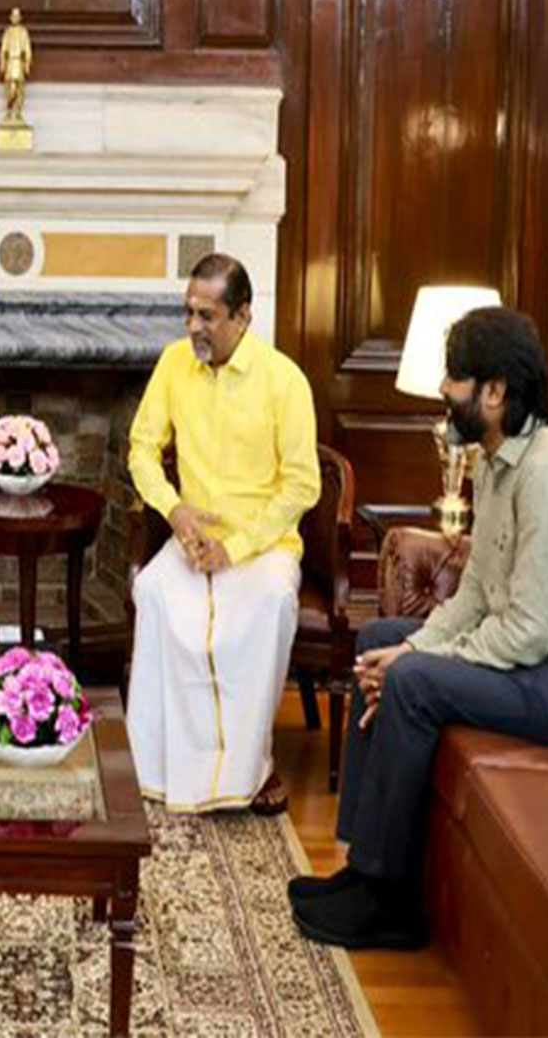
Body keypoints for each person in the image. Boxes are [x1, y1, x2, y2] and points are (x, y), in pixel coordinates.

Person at [290, 307, 548, 949]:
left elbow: (526, 634)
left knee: (413, 683)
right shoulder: (495, 460)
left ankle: (391, 902)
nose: (443, 391)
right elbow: (477, 594)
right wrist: (408, 645)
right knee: (379, 644)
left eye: (454, 379)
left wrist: (418, 664)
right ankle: (361, 870)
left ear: (494, 391)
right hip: (547, 669)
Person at [126, 253, 321, 814]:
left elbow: (301, 486)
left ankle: (250, 768)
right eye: (188, 313)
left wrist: (234, 547)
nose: (193, 327)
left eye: (207, 316)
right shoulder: (172, 365)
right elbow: (141, 449)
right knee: (157, 592)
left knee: (270, 605)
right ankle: (162, 767)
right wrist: (174, 510)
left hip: (261, 546)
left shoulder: (285, 381)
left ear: (243, 317)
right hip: (189, 539)